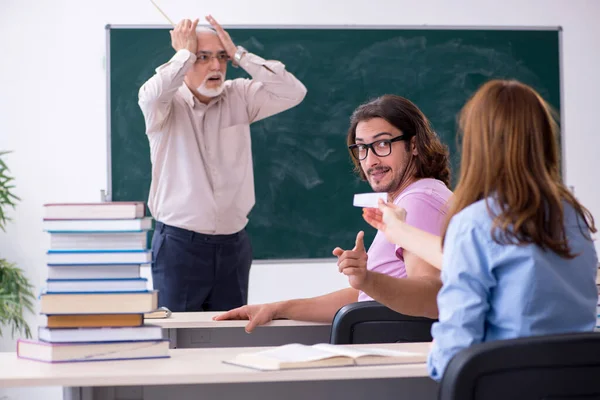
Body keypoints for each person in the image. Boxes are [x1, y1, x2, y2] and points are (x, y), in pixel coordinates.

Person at [365, 79, 598, 381]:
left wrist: (437, 351)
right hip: (579, 385)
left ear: (477, 143)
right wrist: (399, 231)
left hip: (508, 385)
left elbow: (455, 347)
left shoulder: (475, 222)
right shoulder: (573, 217)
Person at [215, 94, 453, 331]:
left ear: (413, 145)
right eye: (362, 147)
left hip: (397, 355)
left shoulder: (419, 200)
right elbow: (366, 297)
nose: (370, 161)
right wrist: (279, 308)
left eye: (382, 144)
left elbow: (431, 295)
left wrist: (368, 280)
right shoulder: (416, 196)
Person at [138, 16, 307, 312]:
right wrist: (184, 53)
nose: (215, 67)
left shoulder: (239, 95)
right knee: (178, 340)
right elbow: (150, 96)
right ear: (185, 59)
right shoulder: (165, 104)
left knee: (229, 338)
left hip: (234, 247)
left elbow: (294, 92)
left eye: (221, 57)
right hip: (179, 247)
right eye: (202, 58)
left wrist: (239, 54)